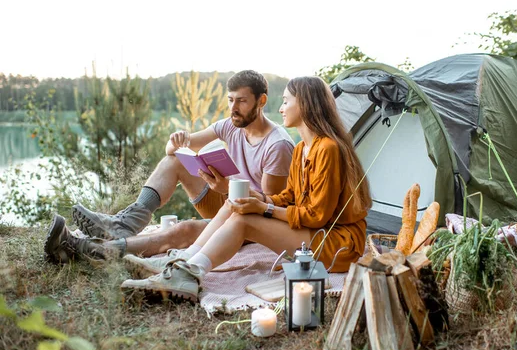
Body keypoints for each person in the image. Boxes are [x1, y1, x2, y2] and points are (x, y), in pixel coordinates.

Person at [120, 76, 372, 302]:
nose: (281, 108)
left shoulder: (327, 148)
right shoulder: (300, 149)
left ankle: (188, 275)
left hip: (336, 243)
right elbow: (289, 198)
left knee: (245, 221)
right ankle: (184, 261)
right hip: (314, 232)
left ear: (304, 104)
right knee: (235, 203)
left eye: (286, 101)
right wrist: (257, 198)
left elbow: (318, 216)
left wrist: (264, 208)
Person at [44, 70, 295, 264]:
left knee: (183, 230)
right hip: (226, 200)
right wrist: (174, 141)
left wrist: (227, 187)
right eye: (230, 100)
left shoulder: (278, 145)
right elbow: (174, 152)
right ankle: (126, 223)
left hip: (250, 219)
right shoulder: (230, 125)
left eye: (241, 101)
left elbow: (271, 207)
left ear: (261, 101)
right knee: (175, 161)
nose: (233, 108)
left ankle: (88, 250)